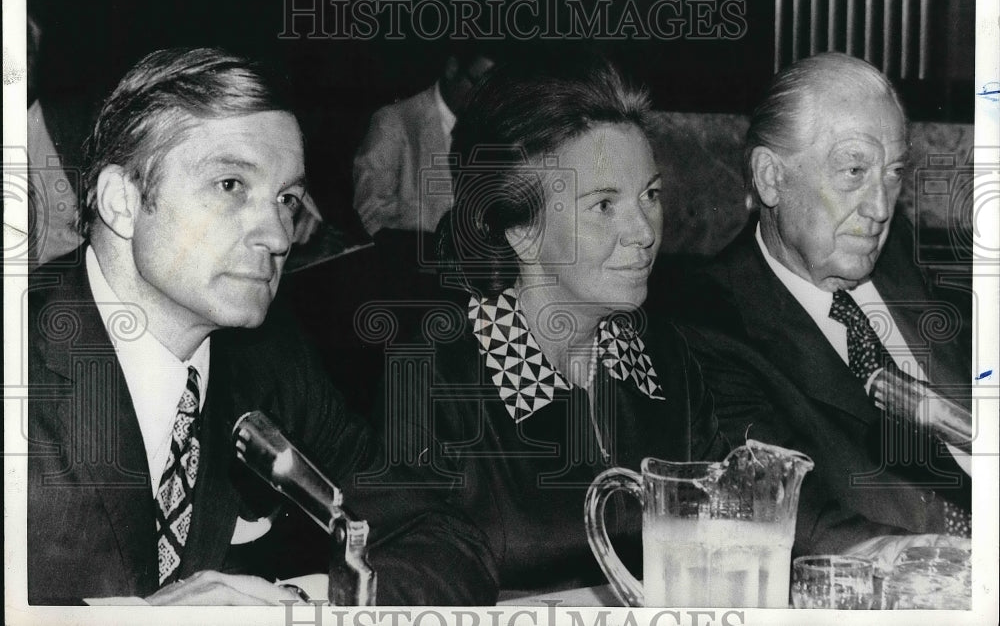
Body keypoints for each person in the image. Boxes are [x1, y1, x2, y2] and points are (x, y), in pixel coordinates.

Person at [27, 48, 498, 605]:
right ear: (121, 201)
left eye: (288, 199)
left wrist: (299, 604)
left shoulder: (267, 355)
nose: (278, 235)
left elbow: (451, 542)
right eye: (231, 185)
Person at [379, 57, 726, 593]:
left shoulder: (668, 361)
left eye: (650, 195)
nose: (643, 231)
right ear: (520, 230)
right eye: (604, 205)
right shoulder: (433, 380)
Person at [674, 52, 972, 557]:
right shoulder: (708, 324)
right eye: (854, 170)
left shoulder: (907, 256)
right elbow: (794, 522)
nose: (880, 207)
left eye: (893, 172)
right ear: (770, 178)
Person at [352, 47, 494, 235]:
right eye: (477, 84)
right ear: (452, 68)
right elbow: (369, 213)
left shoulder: (490, 128)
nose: (485, 97)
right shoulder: (394, 122)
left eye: (492, 89)